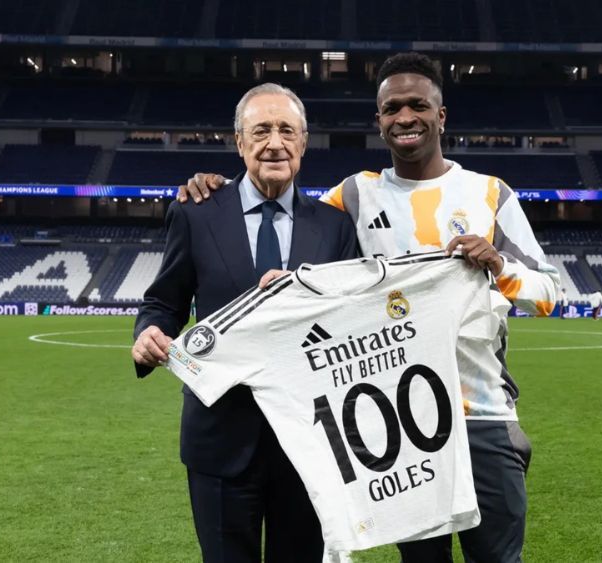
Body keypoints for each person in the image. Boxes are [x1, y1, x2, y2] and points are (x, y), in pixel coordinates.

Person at [178, 53, 560, 563]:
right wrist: (219, 189)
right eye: (391, 108)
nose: (405, 117)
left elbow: (550, 294)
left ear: (440, 116)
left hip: (481, 414)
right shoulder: (354, 197)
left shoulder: (490, 193)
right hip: (407, 426)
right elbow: (289, 210)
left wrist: (500, 268)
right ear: (379, 120)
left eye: (417, 105)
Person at [132, 83, 358, 563]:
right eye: (261, 130)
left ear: (303, 142)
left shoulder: (336, 227)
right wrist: (148, 333)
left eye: (286, 131)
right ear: (239, 142)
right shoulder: (196, 212)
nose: (274, 142)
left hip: (308, 444)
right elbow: (164, 302)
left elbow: (350, 325)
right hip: (218, 439)